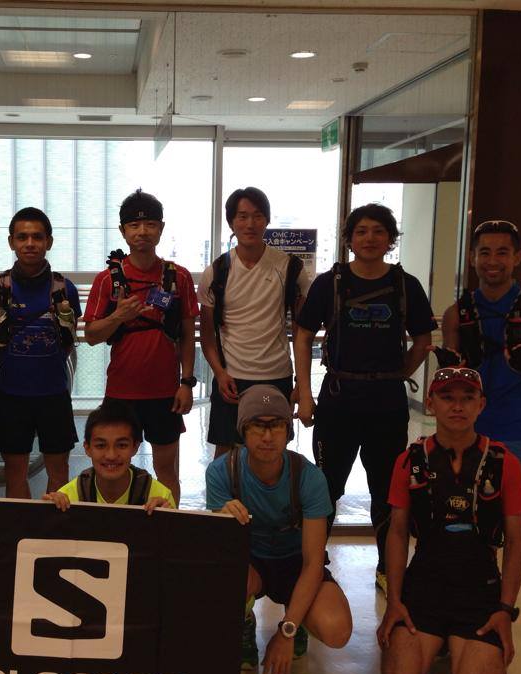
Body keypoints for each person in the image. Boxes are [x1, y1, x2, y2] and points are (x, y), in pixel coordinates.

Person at [295, 203, 436, 595]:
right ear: (349, 239)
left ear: (390, 238)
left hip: (386, 404)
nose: (369, 238)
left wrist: (399, 374)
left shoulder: (406, 285)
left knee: (387, 490)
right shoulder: (330, 283)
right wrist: (304, 393)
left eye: (378, 231)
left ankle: (387, 568)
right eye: (361, 231)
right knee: (325, 487)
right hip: (338, 399)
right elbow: (303, 336)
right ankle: (313, 564)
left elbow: (423, 340)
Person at [436, 219, 521, 646]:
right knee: (472, 520)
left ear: (517, 258)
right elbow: (450, 374)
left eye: (502, 252)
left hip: (514, 429)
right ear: (473, 259)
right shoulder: (457, 313)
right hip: (469, 432)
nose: (493, 261)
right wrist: (451, 365)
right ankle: (482, 599)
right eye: (485, 252)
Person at [377, 367, 521, 674]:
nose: (457, 406)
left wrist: (505, 610)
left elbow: (517, 542)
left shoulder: (505, 463)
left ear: (481, 404)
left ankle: (453, 641)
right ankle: (440, 640)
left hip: (479, 589)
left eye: (467, 398)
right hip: (425, 584)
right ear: (430, 403)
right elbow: (397, 532)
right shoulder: (410, 461)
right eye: (447, 398)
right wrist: (395, 601)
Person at [206, 385, 351, 674]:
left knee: (336, 630)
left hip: (295, 563)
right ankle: (244, 623)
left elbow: (313, 563)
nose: (267, 436)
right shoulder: (222, 472)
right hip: (250, 562)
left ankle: (296, 617)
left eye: (276, 425)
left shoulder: (309, 477)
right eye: (257, 425)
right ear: (242, 430)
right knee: (216, 586)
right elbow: (217, 553)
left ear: (288, 431)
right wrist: (221, 518)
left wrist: (287, 630)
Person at [82, 189, 199, 503]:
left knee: (167, 469)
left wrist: (187, 382)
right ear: (123, 231)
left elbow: (188, 334)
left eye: (150, 225)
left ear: (161, 228)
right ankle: (117, 522)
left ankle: (168, 525)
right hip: (122, 391)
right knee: (113, 467)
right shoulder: (108, 280)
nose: (142, 231)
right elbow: (91, 335)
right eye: (134, 226)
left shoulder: (178, 277)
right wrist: (119, 316)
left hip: (165, 392)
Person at [198, 187, 311, 458]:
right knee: (225, 453)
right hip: (232, 378)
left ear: (267, 220)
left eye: (258, 216)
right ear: (231, 223)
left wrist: (302, 384)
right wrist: (219, 373)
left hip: (277, 375)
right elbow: (207, 334)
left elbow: (301, 333)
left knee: (273, 452)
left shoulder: (290, 268)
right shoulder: (217, 271)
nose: (250, 223)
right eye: (242, 216)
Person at [0, 207, 81, 498]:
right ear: (11, 241)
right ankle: (19, 525)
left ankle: (54, 526)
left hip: (54, 393)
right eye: (22, 237)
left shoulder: (64, 289)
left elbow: (68, 340)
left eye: (37, 237)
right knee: (15, 473)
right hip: (12, 394)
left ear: (49, 241)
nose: (30, 243)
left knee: (59, 473)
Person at [42, 400, 176, 512]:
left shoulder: (160, 498)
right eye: (101, 445)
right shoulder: (68, 498)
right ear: (87, 448)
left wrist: (167, 521)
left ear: (135, 447)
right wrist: (49, 515)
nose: (111, 455)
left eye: (121, 445)